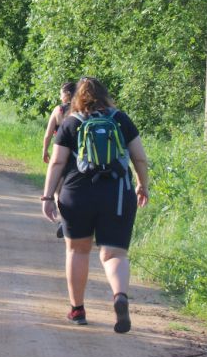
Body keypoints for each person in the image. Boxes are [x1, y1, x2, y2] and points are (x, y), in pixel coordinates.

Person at [41, 77, 149, 333]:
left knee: (78, 251)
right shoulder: (120, 119)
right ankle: (119, 296)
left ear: (77, 97)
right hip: (117, 193)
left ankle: (77, 309)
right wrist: (142, 185)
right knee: (114, 254)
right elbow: (140, 158)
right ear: (105, 95)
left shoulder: (71, 122)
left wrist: (47, 197)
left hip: (77, 193)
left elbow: (57, 163)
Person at [42, 81, 77, 238]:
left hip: (61, 153)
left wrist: (45, 150)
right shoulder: (81, 110)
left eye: (61, 93)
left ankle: (64, 220)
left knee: (58, 190)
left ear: (66, 95)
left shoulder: (58, 110)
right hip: (77, 157)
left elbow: (48, 133)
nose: (59, 95)